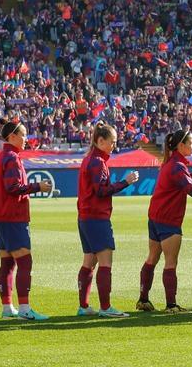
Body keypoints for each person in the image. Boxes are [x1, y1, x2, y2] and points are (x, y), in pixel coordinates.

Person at [140, 130, 192, 313]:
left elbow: (185, 182)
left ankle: (143, 300)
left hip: (155, 217)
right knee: (170, 262)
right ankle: (171, 305)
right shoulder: (178, 166)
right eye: (191, 143)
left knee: (152, 259)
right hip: (169, 220)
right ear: (181, 145)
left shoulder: (171, 163)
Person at [0, 120, 53, 321]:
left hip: (0, 217)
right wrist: (37, 187)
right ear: (13, 137)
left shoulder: (2, 157)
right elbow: (13, 187)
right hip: (13, 217)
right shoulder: (12, 158)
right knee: (25, 262)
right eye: (24, 135)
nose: (27, 139)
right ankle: (25, 309)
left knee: (7, 263)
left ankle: (8, 308)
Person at [76, 123, 139, 318]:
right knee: (105, 261)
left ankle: (84, 306)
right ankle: (105, 307)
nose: (114, 146)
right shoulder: (97, 162)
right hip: (96, 217)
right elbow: (102, 191)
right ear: (100, 141)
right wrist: (125, 182)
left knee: (89, 261)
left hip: (86, 217)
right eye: (112, 142)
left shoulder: (90, 160)